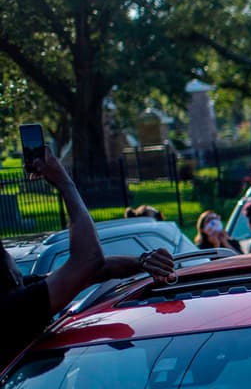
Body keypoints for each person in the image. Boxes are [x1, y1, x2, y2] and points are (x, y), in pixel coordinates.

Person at [0, 147, 175, 367]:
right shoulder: (12, 310)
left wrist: (142, 261)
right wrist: (63, 181)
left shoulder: (18, 295)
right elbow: (87, 261)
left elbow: (94, 272)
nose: (17, 268)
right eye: (10, 260)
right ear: (8, 275)